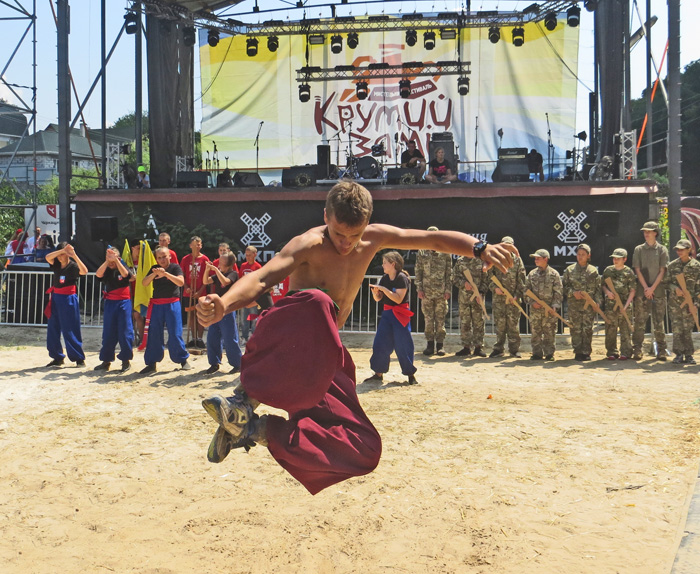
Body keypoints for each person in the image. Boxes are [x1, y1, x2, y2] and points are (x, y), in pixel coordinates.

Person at [196, 181, 516, 495]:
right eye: (339, 234)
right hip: (294, 344)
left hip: (327, 356)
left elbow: (430, 240)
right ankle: (243, 401)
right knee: (319, 302)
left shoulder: (373, 239)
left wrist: (480, 248)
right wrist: (225, 303)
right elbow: (262, 277)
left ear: (367, 224)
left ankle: (250, 430)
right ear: (326, 217)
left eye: (355, 235)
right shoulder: (308, 244)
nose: (347, 243)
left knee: (365, 449)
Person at [364, 251, 417, 385]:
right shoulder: (384, 278)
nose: (382, 265)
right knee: (380, 343)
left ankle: (410, 374)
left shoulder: (401, 278)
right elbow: (378, 299)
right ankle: (378, 373)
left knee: (403, 345)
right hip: (387, 314)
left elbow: (398, 299)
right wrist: (376, 293)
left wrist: (384, 289)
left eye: (385, 263)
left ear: (393, 264)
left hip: (400, 314)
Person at [140, 247, 191, 374]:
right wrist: (154, 273)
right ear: (156, 258)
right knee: (154, 334)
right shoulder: (154, 268)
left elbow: (180, 282)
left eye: (164, 256)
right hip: (157, 305)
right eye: (159, 257)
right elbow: (144, 283)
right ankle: (152, 363)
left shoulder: (175, 267)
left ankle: (183, 360)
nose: (162, 259)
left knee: (175, 333)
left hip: (172, 304)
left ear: (169, 256)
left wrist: (166, 274)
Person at [44, 242, 88, 367]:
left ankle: (78, 358)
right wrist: (61, 251)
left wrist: (73, 255)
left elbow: (84, 271)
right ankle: (57, 356)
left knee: (70, 328)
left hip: (68, 298)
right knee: (53, 328)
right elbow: (48, 257)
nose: (60, 257)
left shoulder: (73, 266)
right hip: (56, 298)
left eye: (63, 254)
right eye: (59, 254)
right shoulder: (56, 264)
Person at [632, 221, 669, 360]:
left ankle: (662, 350)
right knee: (640, 321)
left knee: (659, 322)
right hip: (642, 291)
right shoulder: (639, 249)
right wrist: (646, 288)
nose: (646, 234)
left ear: (655, 233)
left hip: (658, 291)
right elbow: (637, 269)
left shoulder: (662, 250)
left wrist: (652, 288)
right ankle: (637, 349)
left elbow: (662, 270)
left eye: (649, 231)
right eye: (644, 231)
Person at [94, 246, 134, 372]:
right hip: (110, 302)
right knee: (108, 332)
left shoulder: (122, 266)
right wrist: (107, 261)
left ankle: (125, 360)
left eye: (113, 258)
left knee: (124, 331)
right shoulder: (106, 268)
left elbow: (126, 275)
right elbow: (98, 274)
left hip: (123, 302)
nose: (111, 262)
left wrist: (117, 261)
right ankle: (106, 361)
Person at [202, 253, 242, 375]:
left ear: (230, 265)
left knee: (230, 338)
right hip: (217, 308)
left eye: (222, 263)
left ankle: (237, 364)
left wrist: (215, 270)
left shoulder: (233, 274)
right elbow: (205, 281)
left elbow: (225, 282)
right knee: (212, 337)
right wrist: (208, 270)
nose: (219, 265)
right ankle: (214, 363)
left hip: (228, 308)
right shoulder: (219, 273)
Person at [414, 226, 452, 356]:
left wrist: (448, 289)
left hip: (441, 292)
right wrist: (419, 288)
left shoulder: (445, 252)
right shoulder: (422, 251)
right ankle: (430, 345)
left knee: (440, 320)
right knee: (428, 320)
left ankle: (440, 346)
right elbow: (418, 271)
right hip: (427, 292)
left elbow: (449, 272)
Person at [488, 236, 527, 358]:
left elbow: (521, 280)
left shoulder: (517, 261)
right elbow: (488, 276)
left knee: (513, 325)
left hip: (513, 300)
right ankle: (498, 349)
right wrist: (495, 288)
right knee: (500, 325)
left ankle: (514, 349)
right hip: (499, 299)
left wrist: (517, 295)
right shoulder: (495, 259)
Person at [562, 243, 601, 361]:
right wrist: (572, 293)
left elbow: (598, 288)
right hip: (574, 305)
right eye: (578, 254)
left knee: (588, 328)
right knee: (575, 328)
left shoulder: (593, 271)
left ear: (588, 256)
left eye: (583, 254)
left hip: (588, 306)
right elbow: (564, 287)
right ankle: (578, 351)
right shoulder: (570, 270)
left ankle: (586, 351)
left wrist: (598, 302)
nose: (580, 256)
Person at [664, 239, 700, 364]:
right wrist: (675, 289)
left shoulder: (696, 266)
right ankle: (678, 354)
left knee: (688, 329)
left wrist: (696, 304)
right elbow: (666, 283)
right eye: (678, 249)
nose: (679, 252)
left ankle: (689, 354)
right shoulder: (672, 265)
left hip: (690, 304)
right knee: (677, 329)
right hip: (675, 304)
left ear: (689, 250)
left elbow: (699, 289)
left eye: (682, 249)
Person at [525, 249, 562, 361]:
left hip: (549, 310)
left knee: (549, 332)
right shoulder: (532, 274)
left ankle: (549, 353)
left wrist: (555, 305)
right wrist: (532, 302)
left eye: (538, 258)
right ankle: (536, 353)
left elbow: (558, 291)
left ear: (545, 259)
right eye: (535, 258)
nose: (536, 260)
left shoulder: (554, 274)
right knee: (535, 332)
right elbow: (526, 290)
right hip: (535, 310)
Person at [602, 248, 636, 360]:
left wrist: (626, 306)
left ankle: (626, 352)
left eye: (618, 258)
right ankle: (611, 352)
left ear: (625, 259)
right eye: (614, 258)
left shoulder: (629, 272)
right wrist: (608, 293)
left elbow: (632, 290)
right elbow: (603, 285)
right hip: (611, 306)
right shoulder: (608, 271)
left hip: (625, 305)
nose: (615, 260)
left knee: (625, 330)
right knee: (610, 329)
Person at [452, 252, 489, 357]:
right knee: (465, 323)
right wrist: (463, 283)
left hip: (478, 298)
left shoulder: (480, 261)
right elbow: (454, 277)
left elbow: (486, 279)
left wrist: (481, 292)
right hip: (464, 298)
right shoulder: (460, 261)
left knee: (479, 322)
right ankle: (466, 347)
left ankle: (478, 347)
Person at [180, 236, 210, 348]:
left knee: (200, 315)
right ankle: (193, 338)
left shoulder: (205, 259)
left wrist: (200, 291)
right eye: (195, 244)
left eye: (199, 244)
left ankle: (200, 338)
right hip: (189, 292)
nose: (197, 246)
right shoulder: (185, 259)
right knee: (191, 315)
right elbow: (182, 275)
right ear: (190, 245)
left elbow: (207, 279)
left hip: (200, 292)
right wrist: (187, 287)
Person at [239, 245, 262, 341]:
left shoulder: (258, 267)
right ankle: (244, 337)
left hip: (253, 296)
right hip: (244, 296)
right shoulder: (243, 266)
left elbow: (259, 282)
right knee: (244, 318)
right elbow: (240, 280)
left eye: (249, 255)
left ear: (255, 254)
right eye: (246, 255)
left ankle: (254, 337)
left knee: (253, 318)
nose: (247, 257)